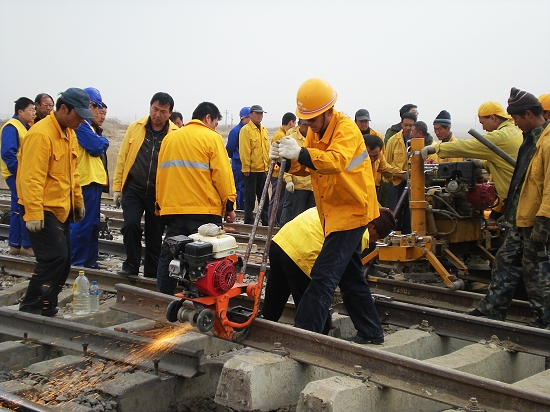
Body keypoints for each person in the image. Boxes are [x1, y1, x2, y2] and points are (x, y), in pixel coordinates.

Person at [270, 78, 384, 344]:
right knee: (351, 277)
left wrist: (300, 153)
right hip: (332, 212)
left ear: (328, 112)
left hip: (352, 211)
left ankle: (305, 336)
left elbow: (335, 161)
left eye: (312, 119)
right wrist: (288, 160)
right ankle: (371, 332)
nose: (308, 124)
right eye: (305, 120)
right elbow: (311, 166)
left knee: (323, 276)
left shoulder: (346, 129)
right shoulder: (316, 132)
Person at [469, 88, 550, 328]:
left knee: (536, 272)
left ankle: (544, 319)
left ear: (529, 114)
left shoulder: (546, 143)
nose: (514, 123)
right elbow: (521, 182)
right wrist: (503, 210)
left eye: (516, 118)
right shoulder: (532, 139)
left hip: (536, 220)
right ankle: (492, 310)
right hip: (519, 218)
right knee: (505, 262)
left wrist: (544, 221)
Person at [261, 207, 396, 335]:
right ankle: (310, 337)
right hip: (301, 254)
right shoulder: (358, 231)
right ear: (372, 228)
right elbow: (349, 275)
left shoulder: (342, 212)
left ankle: (263, 327)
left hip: (280, 242)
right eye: (376, 238)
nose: (372, 242)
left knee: (277, 293)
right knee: (313, 310)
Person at [17, 88, 92, 317]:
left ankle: (47, 306)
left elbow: (73, 174)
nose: (82, 120)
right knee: (53, 257)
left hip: (60, 208)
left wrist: (77, 202)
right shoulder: (41, 135)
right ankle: (31, 308)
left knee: (64, 260)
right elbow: (31, 177)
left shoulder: (69, 134)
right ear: (63, 109)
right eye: (78, 115)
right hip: (42, 208)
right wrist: (33, 213)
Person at [156, 102, 237, 295]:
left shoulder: (170, 139)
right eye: (215, 123)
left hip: (174, 210)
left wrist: (160, 205)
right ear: (208, 117)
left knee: (171, 255)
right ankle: (202, 302)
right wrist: (229, 205)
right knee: (207, 260)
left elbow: (160, 175)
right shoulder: (212, 138)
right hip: (204, 212)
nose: (215, 127)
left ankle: (162, 299)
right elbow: (223, 176)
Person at [113, 92, 178, 278]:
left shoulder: (175, 134)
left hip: (158, 193)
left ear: (170, 113)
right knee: (130, 226)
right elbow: (123, 157)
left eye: (163, 111)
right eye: (155, 109)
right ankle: (131, 265)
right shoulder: (135, 128)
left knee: (154, 235)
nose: (157, 114)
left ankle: (151, 273)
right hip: (134, 188)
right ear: (150, 107)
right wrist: (117, 188)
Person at [421, 102, 522, 220]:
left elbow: (467, 146)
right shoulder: (514, 130)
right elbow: (503, 163)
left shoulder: (500, 136)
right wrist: (482, 164)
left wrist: (435, 148)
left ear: (493, 118)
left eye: (482, 123)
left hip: (515, 197)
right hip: (516, 194)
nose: (483, 128)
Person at [70, 87, 109, 269]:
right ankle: (77, 263)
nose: (98, 112)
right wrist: (104, 141)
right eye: (96, 107)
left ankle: (90, 261)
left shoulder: (88, 126)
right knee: (82, 224)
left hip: (92, 181)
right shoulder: (81, 125)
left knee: (93, 224)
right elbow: (95, 146)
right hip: (84, 181)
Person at [0, 97, 36, 256]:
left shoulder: (24, 127)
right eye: (31, 110)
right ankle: (26, 245)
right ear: (20, 111)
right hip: (16, 174)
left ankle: (15, 245)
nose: (33, 113)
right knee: (24, 207)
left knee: (17, 208)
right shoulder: (12, 127)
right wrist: (19, 172)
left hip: (20, 173)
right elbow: (8, 153)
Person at [385, 111, 417, 233]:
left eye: (411, 125)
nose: (408, 128)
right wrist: (399, 175)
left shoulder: (418, 141)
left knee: (410, 214)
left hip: (413, 184)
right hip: (396, 183)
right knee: (394, 212)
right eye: (405, 125)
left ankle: (408, 236)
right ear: (401, 124)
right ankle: (394, 236)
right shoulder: (393, 140)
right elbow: (386, 163)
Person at [279, 119, 315, 226]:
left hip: (313, 186)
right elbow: (286, 163)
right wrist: (288, 180)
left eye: (309, 125)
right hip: (298, 186)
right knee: (295, 216)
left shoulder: (315, 138)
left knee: (310, 219)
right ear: (299, 124)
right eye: (305, 125)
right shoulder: (291, 139)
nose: (307, 127)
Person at [239, 104, 269, 225]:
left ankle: (266, 221)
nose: (259, 116)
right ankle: (248, 222)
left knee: (264, 198)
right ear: (251, 115)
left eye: (261, 114)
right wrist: (246, 168)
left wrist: (268, 166)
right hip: (251, 171)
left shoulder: (264, 130)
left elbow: (266, 150)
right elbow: (244, 150)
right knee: (250, 198)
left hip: (263, 169)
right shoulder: (245, 130)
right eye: (257, 113)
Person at [269, 112, 296, 226]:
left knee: (279, 199)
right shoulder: (280, 136)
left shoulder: (282, 134)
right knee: (277, 199)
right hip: (278, 173)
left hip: (281, 172)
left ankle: (274, 221)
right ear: (291, 122)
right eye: (294, 123)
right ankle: (272, 222)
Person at [226, 107, 250, 211]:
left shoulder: (249, 130)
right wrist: (236, 157)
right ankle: (239, 209)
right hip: (238, 164)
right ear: (244, 118)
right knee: (239, 188)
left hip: (247, 164)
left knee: (246, 188)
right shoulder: (235, 131)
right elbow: (229, 148)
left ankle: (245, 209)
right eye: (249, 118)